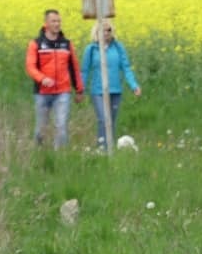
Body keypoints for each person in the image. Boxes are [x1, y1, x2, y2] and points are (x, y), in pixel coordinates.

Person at [25, 9, 83, 149]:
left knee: (61, 125)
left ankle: (60, 157)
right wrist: (42, 78)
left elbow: (74, 67)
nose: (57, 24)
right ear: (46, 23)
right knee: (41, 127)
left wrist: (79, 89)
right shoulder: (36, 44)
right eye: (54, 21)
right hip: (42, 93)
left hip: (63, 91)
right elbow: (30, 66)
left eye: (59, 21)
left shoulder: (66, 44)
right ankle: (39, 152)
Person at [80, 20, 141, 150]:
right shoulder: (91, 49)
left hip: (115, 90)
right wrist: (81, 90)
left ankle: (110, 148)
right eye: (104, 30)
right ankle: (102, 147)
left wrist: (133, 85)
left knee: (111, 121)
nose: (107, 33)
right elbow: (85, 71)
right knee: (103, 119)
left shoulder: (118, 47)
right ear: (97, 31)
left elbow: (126, 67)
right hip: (98, 91)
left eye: (109, 30)